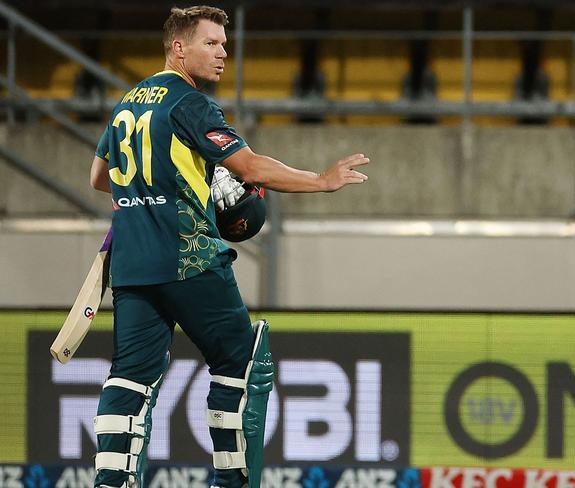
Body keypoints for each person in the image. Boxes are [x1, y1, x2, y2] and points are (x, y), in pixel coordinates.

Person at [88, 5, 369, 488]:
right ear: (179, 47)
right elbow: (252, 168)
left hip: (133, 265)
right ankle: (231, 482)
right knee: (243, 363)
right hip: (188, 256)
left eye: (223, 43)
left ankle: (110, 481)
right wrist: (321, 181)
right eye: (211, 43)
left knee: (130, 378)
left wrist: (159, 187)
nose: (223, 53)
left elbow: (98, 178)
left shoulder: (126, 103)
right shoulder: (191, 103)